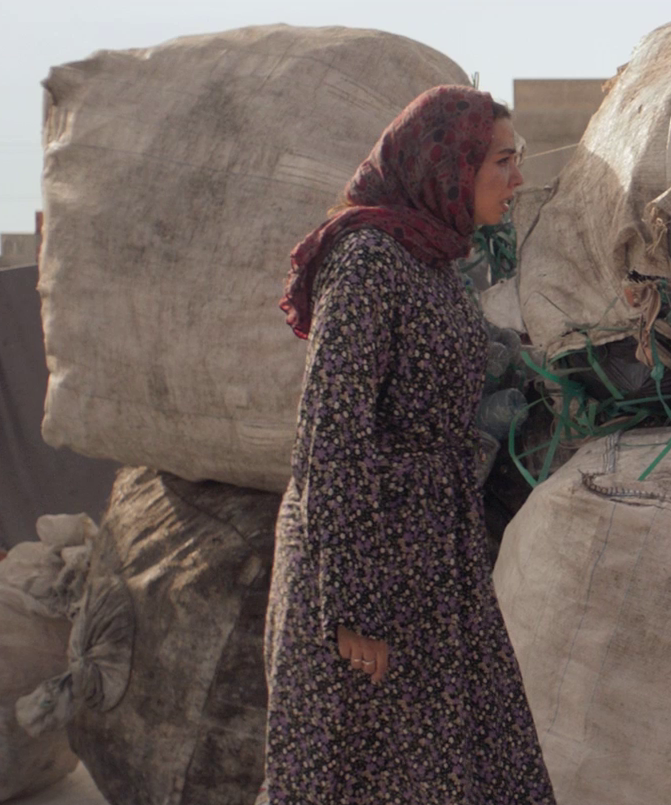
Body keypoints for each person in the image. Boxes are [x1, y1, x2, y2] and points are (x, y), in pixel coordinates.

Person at [265, 85, 555, 803]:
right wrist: (353, 608)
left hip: (434, 561)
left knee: (466, 766)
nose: (517, 177)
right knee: (367, 774)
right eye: (502, 160)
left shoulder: (433, 262)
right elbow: (332, 437)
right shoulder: (366, 261)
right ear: (447, 166)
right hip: (368, 569)